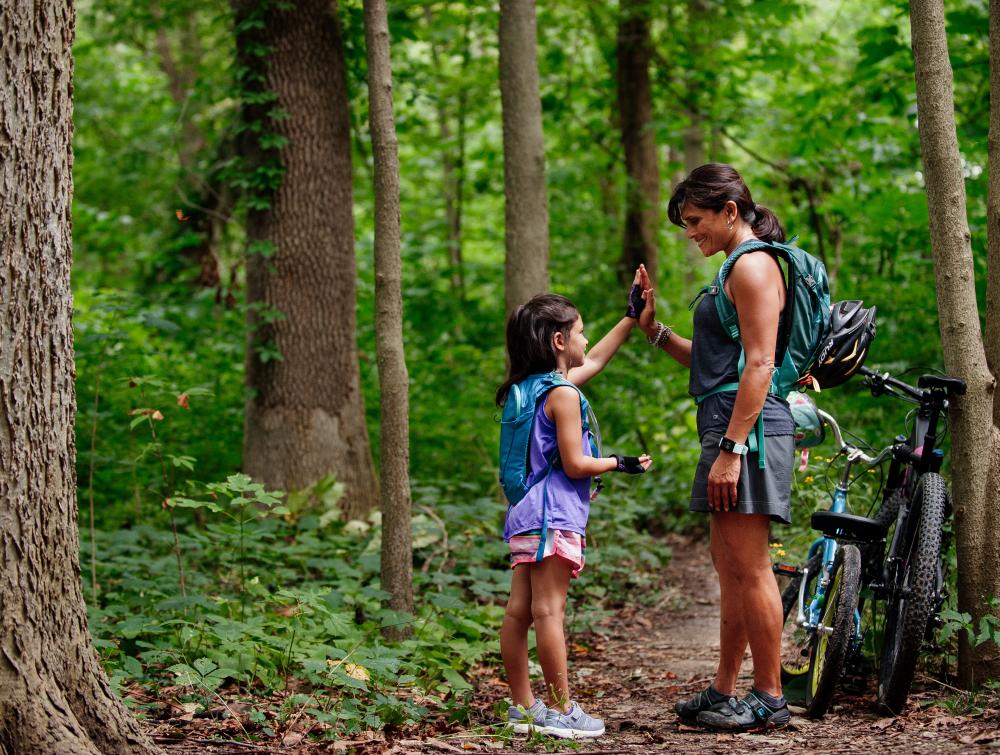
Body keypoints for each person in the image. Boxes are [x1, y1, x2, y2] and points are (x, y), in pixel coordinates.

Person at [637, 163, 793, 732]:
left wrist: (732, 449)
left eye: (696, 221)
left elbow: (760, 364)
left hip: (743, 428)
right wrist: (652, 330)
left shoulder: (752, 267)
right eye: (684, 223)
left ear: (731, 212)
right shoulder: (732, 267)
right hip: (727, 419)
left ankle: (770, 696)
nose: (690, 232)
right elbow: (715, 364)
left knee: (751, 569)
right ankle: (726, 689)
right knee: (728, 567)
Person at [496, 290, 652, 739]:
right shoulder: (562, 395)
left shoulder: (525, 390)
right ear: (560, 341)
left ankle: (524, 707)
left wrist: (629, 319)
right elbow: (575, 463)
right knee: (549, 611)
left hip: (525, 513)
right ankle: (564, 712)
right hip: (553, 516)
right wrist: (619, 463)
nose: (586, 340)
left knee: (518, 612)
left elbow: (596, 360)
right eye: (581, 331)